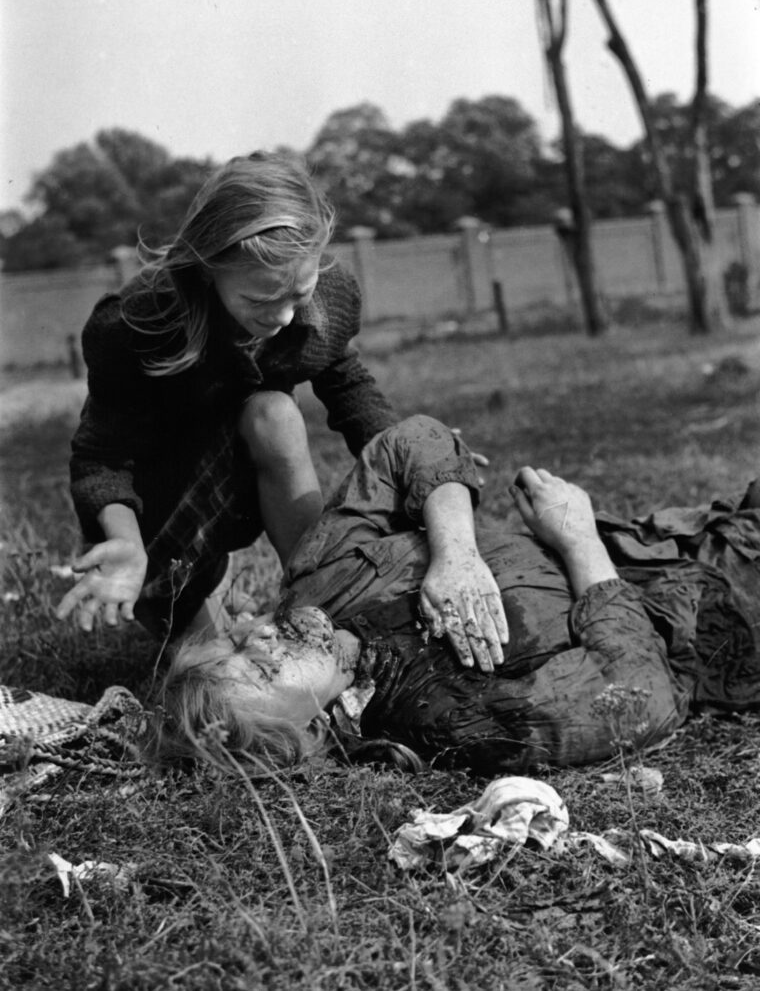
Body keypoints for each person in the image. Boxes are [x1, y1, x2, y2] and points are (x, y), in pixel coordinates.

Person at [152, 415, 760, 774]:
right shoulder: (450, 721)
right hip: (731, 609)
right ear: (303, 734)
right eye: (263, 669)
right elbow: (640, 697)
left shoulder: (322, 578)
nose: (263, 634)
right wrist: (578, 542)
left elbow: (411, 442)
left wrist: (456, 552)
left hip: (684, 530)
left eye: (239, 641)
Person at [57, 151, 405, 641]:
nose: (283, 317)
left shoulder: (330, 297)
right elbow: (101, 459)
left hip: (237, 494)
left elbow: (345, 379)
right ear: (207, 268)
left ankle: (319, 595)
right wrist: (127, 544)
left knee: (274, 413)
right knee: (211, 670)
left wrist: (406, 453)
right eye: (260, 299)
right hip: (162, 513)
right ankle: (193, 595)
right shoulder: (136, 326)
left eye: (299, 294)